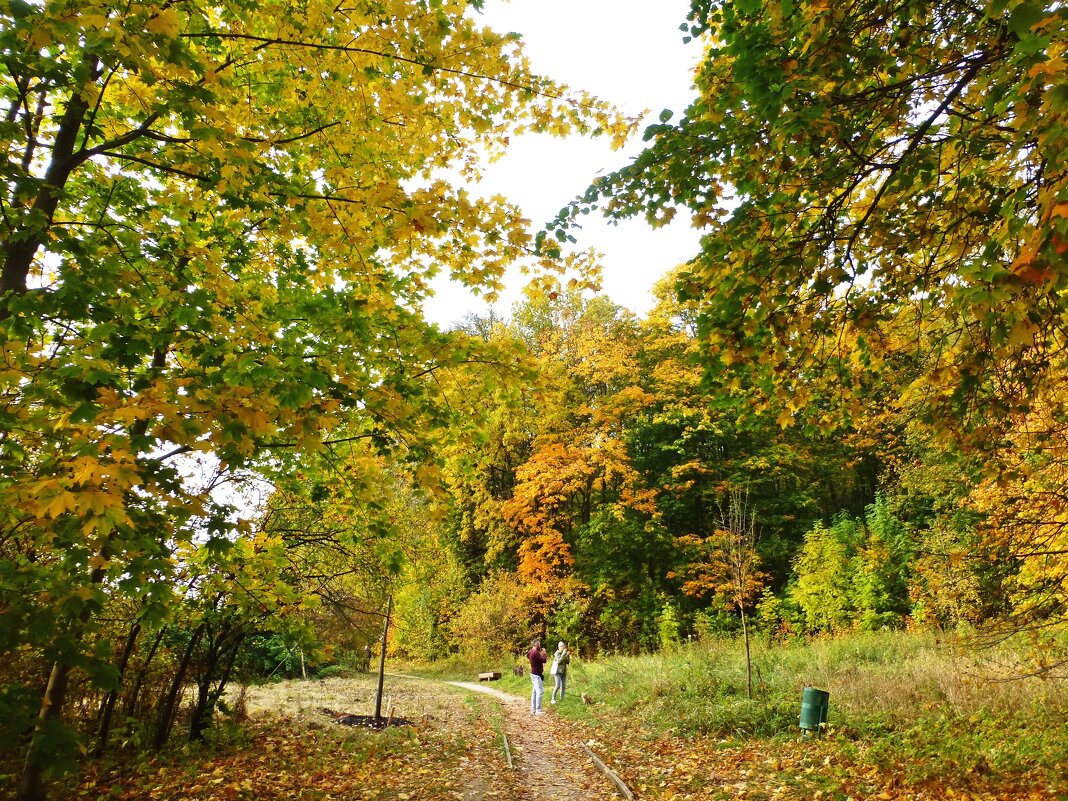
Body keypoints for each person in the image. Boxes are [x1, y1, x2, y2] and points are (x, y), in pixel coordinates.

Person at [527, 639, 548, 715]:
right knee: (540, 691)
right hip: (536, 675)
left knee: (535, 692)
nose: (540, 646)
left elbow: (527, 656)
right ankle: (538, 710)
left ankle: (533, 709)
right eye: (539, 644)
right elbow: (544, 660)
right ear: (536, 645)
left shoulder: (531, 652)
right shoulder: (535, 652)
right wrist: (544, 653)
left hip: (533, 674)